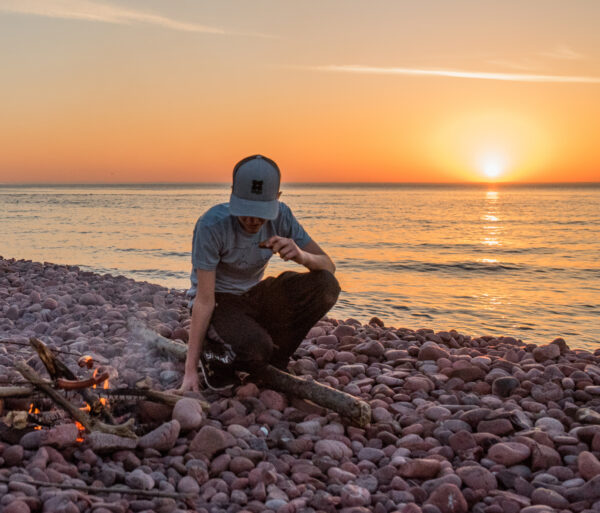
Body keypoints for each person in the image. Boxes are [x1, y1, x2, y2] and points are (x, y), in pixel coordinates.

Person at [180, 155, 340, 392]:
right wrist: (189, 370)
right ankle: (213, 356)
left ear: (277, 199)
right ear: (233, 195)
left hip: (254, 295)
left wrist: (301, 256)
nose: (253, 219)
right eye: (246, 209)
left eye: (261, 211)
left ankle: (276, 360)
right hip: (219, 302)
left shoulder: (283, 216)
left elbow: (329, 266)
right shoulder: (211, 226)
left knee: (326, 285)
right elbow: (204, 300)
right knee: (256, 349)